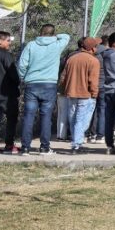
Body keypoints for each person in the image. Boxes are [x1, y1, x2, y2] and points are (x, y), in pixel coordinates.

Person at [18, 25, 71, 155]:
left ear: (40, 32)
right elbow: (66, 36)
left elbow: (22, 64)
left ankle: (25, 147)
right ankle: (44, 147)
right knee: (46, 117)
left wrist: (23, 78)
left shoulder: (31, 45)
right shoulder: (57, 45)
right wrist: (54, 37)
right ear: (53, 34)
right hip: (49, 84)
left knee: (29, 116)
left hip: (32, 83)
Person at [58, 37, 102, 154]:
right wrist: (94, 94)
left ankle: (76, 142)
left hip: (71, 93)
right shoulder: (93, 61)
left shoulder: (71, 59)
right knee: (81, 121)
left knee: (73, 119)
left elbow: (63, 77)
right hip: (86, 95)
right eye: (96, 46)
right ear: (92, 48)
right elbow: (93, 81)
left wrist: (63, 90)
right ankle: (77, 145)